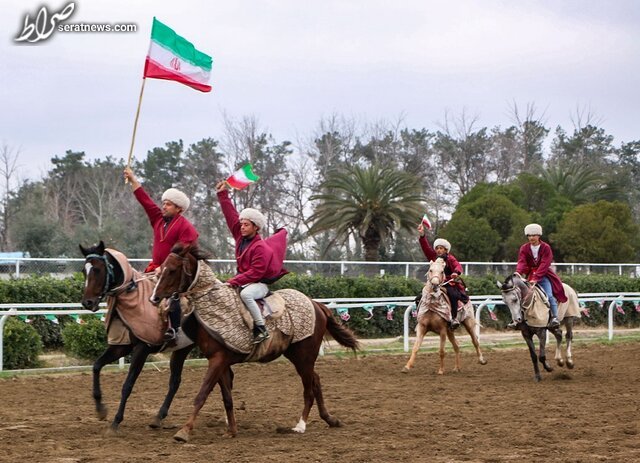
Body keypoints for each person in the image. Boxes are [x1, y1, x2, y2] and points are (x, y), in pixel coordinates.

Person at [123, 167, 199, 341]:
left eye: (168, 204)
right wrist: (133, 180)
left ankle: (174, 329)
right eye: (163, 203)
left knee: (172, 296)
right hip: (154, 268)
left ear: (179, 209)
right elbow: (146, 201)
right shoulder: (158, 218)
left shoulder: (187, 228)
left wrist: (164, 269)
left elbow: (182, 256)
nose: (163, 206)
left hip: (174, 273)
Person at [216, 180, 288, 344]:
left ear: (255, 227)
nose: (241, 227)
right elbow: (230, 214)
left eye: (246, 225)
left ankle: (261, 329)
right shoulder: (240, 237)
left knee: (246, 294)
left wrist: (233, 281)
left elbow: (256, 273)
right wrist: (222, 194)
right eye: (241, 224)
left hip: (258, 285)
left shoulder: (260, 248)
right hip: (243, 281)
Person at [515, 223, 567, 329]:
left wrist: (536, 277)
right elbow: (522, 261)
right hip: (529, 276)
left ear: (539, 235)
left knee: (549, 295)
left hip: (544, 276)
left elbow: (545, 264)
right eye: (529, 235)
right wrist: (518, 272)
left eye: (533, 235)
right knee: (519, 296)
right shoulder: (524, 248)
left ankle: (555, 317)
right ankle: (518, 319)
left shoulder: (546, 248)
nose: (531, 238)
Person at [418, 224, 469, 329]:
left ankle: (454, 318)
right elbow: (426, 248)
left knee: (453, 295)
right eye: (437, 248)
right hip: (434, 284)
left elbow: (458, 266)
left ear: (446, 250)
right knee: (419, 297)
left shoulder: (450, 258)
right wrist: (422, 235)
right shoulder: (433, 257)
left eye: (441, 248)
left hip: (448, 283)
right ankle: (419, 314)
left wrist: (456, 272)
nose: (438, 250)